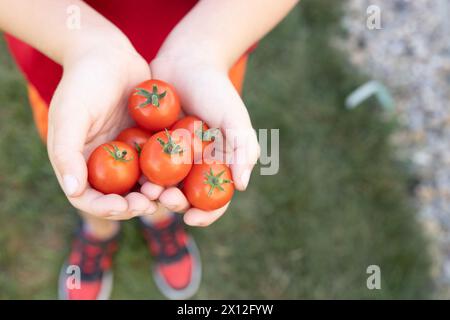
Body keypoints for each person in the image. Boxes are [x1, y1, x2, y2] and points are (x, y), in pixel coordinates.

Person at [0, 0, 299, 300]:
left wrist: (206, 48)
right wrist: (82, 44)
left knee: (151, 190)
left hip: (211, 46)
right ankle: (99, 230)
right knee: (80, 165)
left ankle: (158, 219)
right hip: (65, 60)